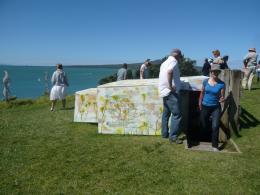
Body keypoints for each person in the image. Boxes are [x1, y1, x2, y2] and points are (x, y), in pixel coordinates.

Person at [158, 49, 183, 144]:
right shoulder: (173, 61)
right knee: (177, 114)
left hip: (164, 92)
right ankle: (173, 137)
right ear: (178, 55)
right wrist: (170, 86)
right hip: (171, 92)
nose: (180, 58)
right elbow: (169, 72)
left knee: (166, 114)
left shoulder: (164, 62)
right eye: (180, 56)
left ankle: (164, 134)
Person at [199, 64, 225, 152]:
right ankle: (205, 136)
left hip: (215, 108)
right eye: (214, 71)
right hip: (205, 106)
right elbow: (202, 93)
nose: (215, 73)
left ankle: (215, 146)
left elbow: (221, 96)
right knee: (203, 123)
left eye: (217, 72)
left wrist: (222, 99)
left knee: (215, 126)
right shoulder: (205, 82)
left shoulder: (221, 84)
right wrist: (200, 103)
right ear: (211, 72)